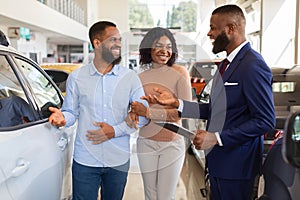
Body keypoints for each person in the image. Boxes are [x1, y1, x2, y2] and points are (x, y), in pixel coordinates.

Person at [142, 5, 276, 200]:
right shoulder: (225, 64)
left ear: (230, 28)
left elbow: (265, 120)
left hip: (237, 167)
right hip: (218, 163)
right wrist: (177, 103)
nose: (209, 33)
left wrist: (217, 138)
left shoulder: (252, 65)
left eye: (213, 28)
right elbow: (215, 110)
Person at [48, 21, 149, 200]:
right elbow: (72, 112)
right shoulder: (77, 77)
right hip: (85, 160)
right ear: (97, 43)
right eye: (113, 39)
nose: (119, 44)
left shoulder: (130, 78)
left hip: (118, 159)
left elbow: (142, 116)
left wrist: (114, 131)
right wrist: (63, 117)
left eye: (120, 39)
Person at [129, 27, 192, 200]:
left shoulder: (180, 73)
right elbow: (136, 111)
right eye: (159, 45)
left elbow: (183, 112)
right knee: (150, 194)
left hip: (172, 144)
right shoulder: (141, 77)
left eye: (169, 46)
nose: (165, 50)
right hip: (146, 142)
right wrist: (134, 114)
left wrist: (149, 112)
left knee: (165, 196)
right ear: (149, 48)